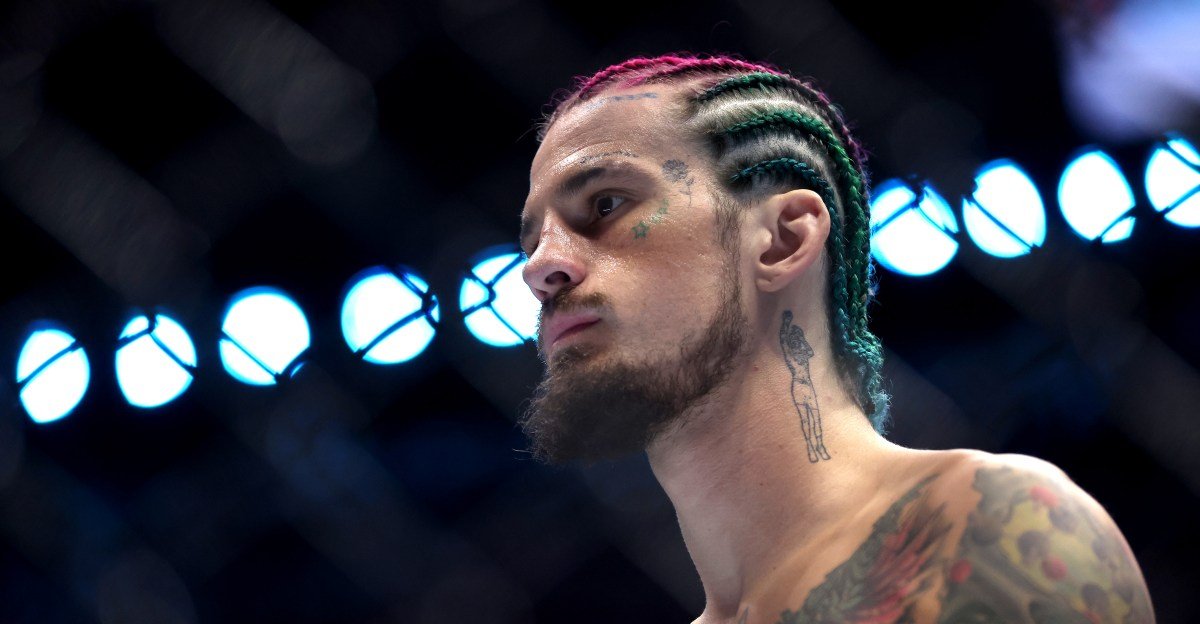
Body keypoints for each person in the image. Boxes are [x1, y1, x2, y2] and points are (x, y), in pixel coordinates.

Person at [516, 53, 1155, 624]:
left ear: (782, 239)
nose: (539, 266)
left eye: (605, 204)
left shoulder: (986, 525)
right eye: (533, 238)